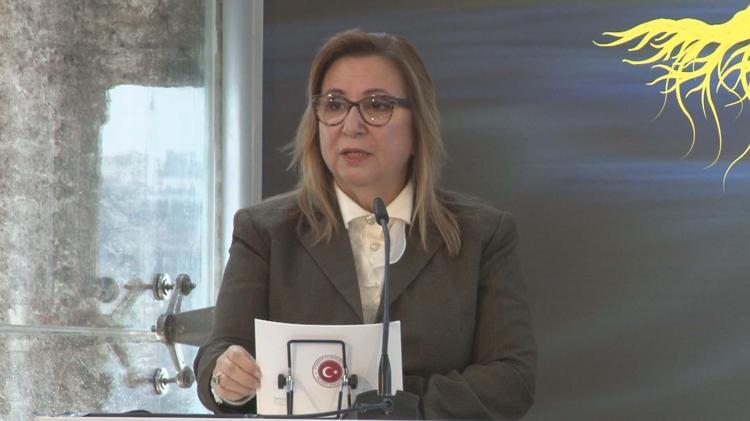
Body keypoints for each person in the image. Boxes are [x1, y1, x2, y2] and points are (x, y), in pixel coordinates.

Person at [194, 29, 536, 420]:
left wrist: (402, 407)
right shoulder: (264, 232)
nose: (351, 125)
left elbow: (512, 379)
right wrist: (226, 379)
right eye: (335, 104)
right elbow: (217, 360)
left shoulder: (482, 235)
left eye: (377, 105)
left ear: (418, 124)